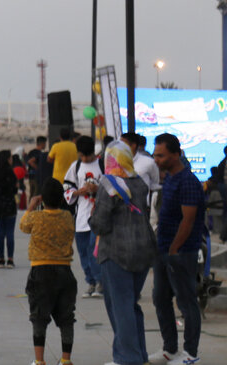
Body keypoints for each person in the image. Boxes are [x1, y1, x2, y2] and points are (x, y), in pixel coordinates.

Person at [89, 140, 154, 365]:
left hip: (116, 253)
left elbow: (100, 223)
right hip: (143, 250)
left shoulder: (109, 183)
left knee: (120, 306)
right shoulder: (139, 183)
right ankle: (139, 355)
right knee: (132, 304)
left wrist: (92, 213)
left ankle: (127, 358)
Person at [149, 132, 206, 365]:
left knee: (186, 302)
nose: (156, 159)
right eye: (155, 155)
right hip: (163, 251)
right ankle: (169, 349)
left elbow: (188, 221)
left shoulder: (188, 182)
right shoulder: (169, 178)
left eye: (161, 155)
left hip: (181, 253)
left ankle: (190, 353)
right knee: (160, 298)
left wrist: (174, 249)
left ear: (175, 154)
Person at [19, 179, 77, 365]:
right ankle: (65, 360)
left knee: (39, 317)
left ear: (42, 200)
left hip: (41, 271)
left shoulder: (36, 217)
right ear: (62, 199)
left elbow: (23, 226)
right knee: (66, 318)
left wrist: (30, 207)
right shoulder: (68, 217)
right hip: (65, 271)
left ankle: (39, 360)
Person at [62, 135, 103, 296]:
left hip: (98, 215)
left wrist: (97, 190)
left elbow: (112, 186)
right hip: (81, 216)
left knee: (94, 248)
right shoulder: (76, 166)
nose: (85, 159)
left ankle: (100, 282)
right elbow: (67, 187)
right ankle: (90, 281)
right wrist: (79, 192)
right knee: (83, 251)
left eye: (88, 155)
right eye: (82, 155)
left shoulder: (102, 165)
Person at [0, 149, 19, 268]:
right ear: (7, 159)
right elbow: (14, 190)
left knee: (0, 233)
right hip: (10, 205)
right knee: (10, 233)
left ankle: (1, 259)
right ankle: (10, 260)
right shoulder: (11, 173)